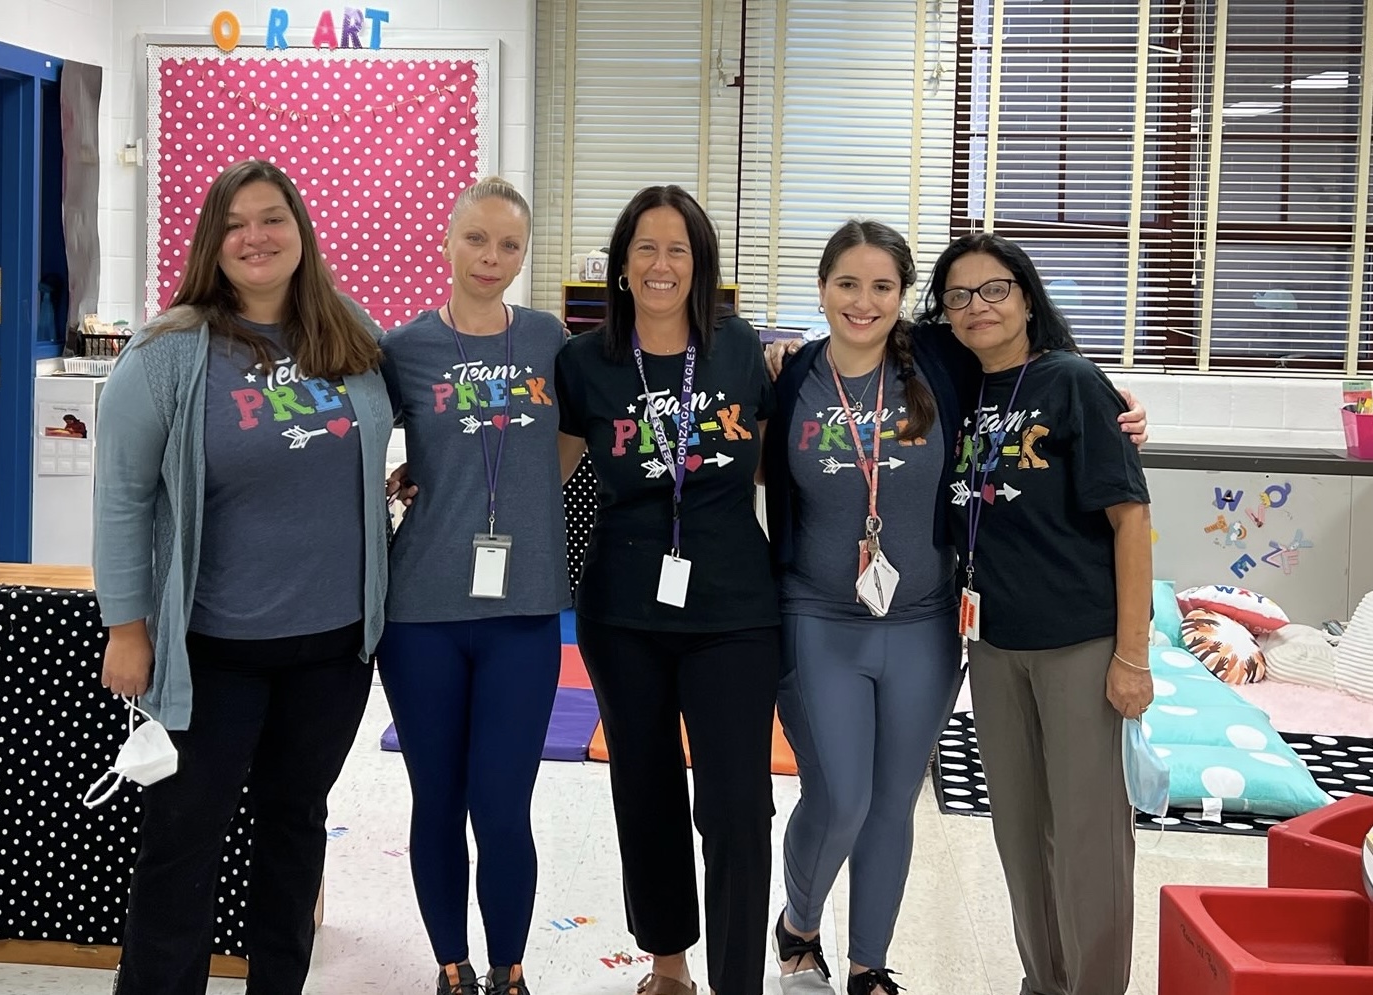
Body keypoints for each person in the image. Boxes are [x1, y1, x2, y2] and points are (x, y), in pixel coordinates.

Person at [762, 222, 1149, 995]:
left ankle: (871, 963)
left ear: (904, 297)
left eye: (882, 286)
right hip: (842, 621)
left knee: (902, 804)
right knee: (844, 797)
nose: (863, 301)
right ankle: (801, 923)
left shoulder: (942, 362)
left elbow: (1062, 412)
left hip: (934, 624)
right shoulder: (799, 368)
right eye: (846, 283)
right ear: (822, 288)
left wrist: (1118, 404)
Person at [93, 158, 394, 995]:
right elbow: (119, 493)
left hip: (333, 650)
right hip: (211, 652)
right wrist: (127, 624)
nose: (255, 237)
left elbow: (393, 434)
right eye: (235, 224)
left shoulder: (349, 335)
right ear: (212, 242)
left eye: (272, 218)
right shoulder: (168, 352)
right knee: (182, 845)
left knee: (294, 832)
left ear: (300, 232)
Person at [553, 185, 779, 995]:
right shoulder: (584, 361)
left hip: (735, 612)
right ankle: (669, 967)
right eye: (644, 248)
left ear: (700, 264)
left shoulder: (740, 348)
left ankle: (738, 981)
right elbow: (549, 468)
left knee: (738, 806)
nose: (660, 263)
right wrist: (433, 479)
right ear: (620, 266)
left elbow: (795, 449)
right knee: (643, 788)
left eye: (677, 249)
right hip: (622, 612)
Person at [919, 231, 1152, 995]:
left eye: (994, 289)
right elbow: (866, 322)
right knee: (1020, 833)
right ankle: (1043, 979)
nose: (977, 306)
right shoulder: (956, 387)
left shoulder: (1072, 381)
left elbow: (1130, 520)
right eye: (959, 294)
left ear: (1026, 296)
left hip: (1079, 644)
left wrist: (1133, 654)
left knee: (1088, 838)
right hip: (991, 644)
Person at [378, 176, 569, 995]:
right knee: (438, 798)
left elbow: (577, 438)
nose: (491, 258)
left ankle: (509, 968)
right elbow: (348, 441)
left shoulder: (552, 341)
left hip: (522, 609)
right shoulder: (404, 347)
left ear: (523, 254)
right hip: (420, 609)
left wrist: (524, 490)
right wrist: (401, 476)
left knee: (502, 804)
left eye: (509, 245)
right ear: (449, 242)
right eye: (477, 239)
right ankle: (451, 967)